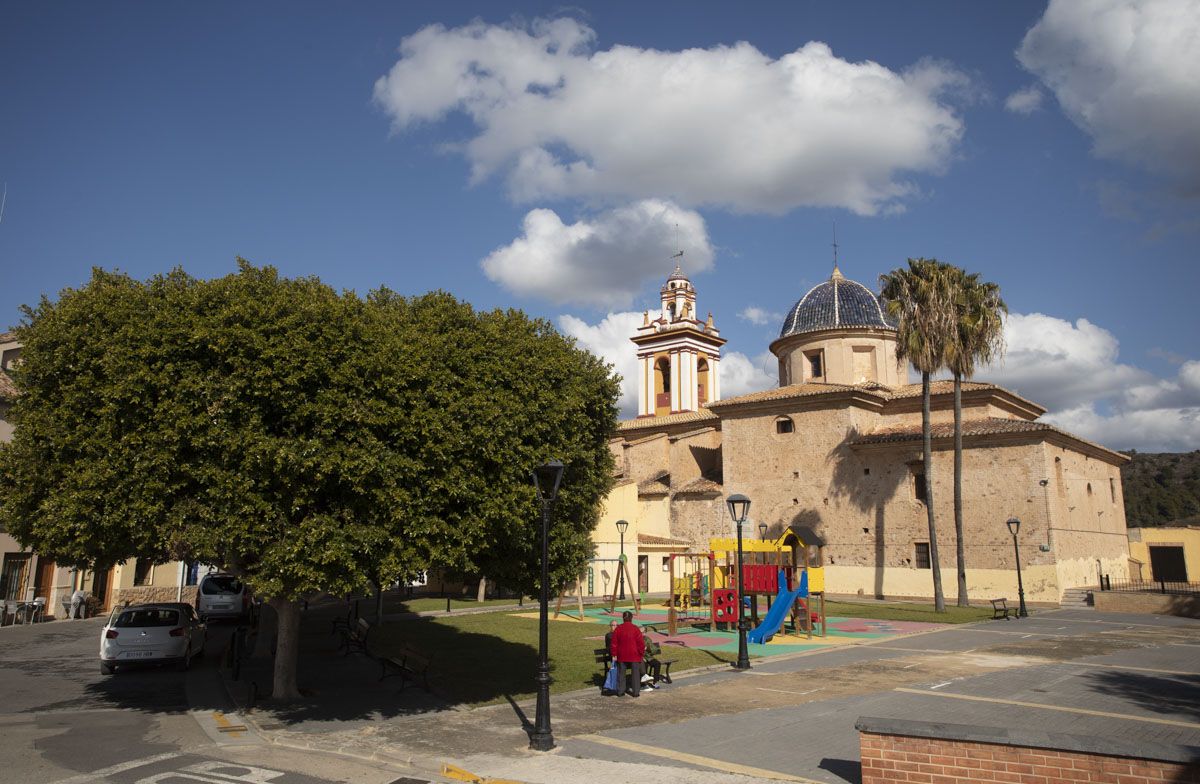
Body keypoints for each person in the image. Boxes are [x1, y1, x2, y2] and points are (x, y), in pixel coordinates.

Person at [609, 610, 645, 697]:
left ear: (623, 618)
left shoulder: (618, 629)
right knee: (635, 675)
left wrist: (614, 654)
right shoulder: (635, 629)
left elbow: (614, 643)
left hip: (622, 655)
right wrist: (641, 653)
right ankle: (636, 692)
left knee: (621, 674)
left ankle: (621, 691)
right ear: (631, 618)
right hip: (634, 655)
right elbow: (641, 643)